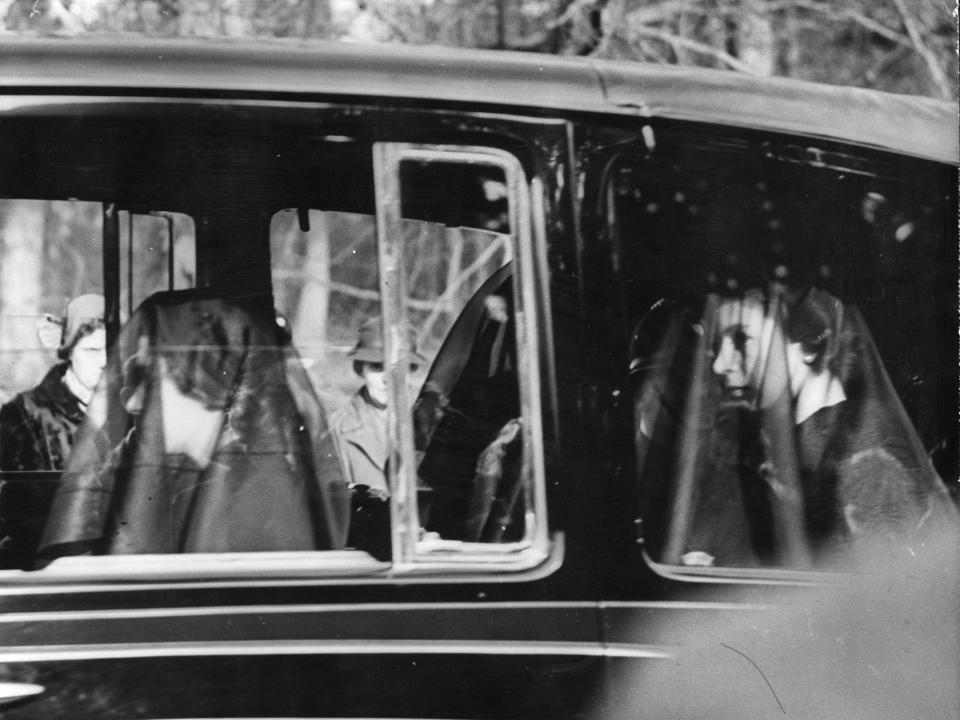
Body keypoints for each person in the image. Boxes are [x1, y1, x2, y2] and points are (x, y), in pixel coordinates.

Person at [38, 292, 348, 559]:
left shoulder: (264, 498)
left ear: (204, 386)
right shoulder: (134, 463)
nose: (132, 400)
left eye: (151, 377)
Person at [707, 285, 953, 562]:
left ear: (809, 346)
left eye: (741, 339)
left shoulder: (870, 464)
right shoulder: (785, 443)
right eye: (718, 344)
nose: (719, 364)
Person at [0, 294, 105, 568]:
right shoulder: (24, 414)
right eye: (92, 351)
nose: (104, 361)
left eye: (111, 350)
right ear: (69, 351)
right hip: (46, 571)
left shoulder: (129, 411)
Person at [330, 316, 426, 556]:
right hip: (369, 557)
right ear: (360, 368)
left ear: (411, 370)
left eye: (397, 368)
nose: (387, 378)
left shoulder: (431, 421)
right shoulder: (338, 428)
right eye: (376, 367)